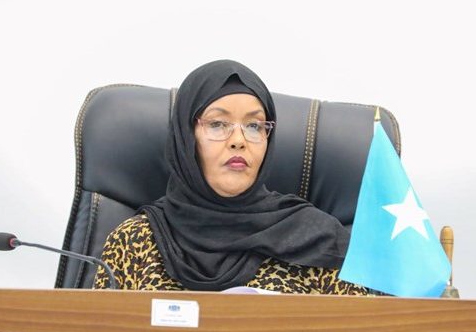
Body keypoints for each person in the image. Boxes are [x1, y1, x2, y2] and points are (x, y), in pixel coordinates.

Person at [93, 59, 367, 295]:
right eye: (217, 124)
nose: (239, 140)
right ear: (186, 138)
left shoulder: (319, 239)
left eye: (254, 126)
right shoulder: (133, 241)